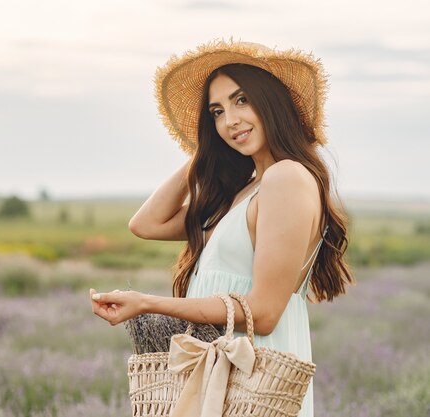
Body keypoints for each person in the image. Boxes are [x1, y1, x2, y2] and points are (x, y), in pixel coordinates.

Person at [89, 39, 354, 417]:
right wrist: (205, 148)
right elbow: (146, 223)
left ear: (273, 103)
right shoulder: (247, 191)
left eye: (242, 100)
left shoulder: (286, 178)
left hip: (254, 377)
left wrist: (148, 303)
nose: (230, 120)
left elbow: (264, 313)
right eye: (217, 112)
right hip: (220, 376)